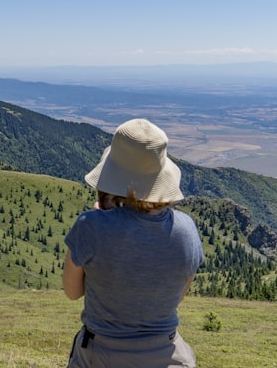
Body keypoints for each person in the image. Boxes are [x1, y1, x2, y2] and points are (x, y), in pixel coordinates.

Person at [63, 118, 204, 368]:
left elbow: (72, 292)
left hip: (100, 354)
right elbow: (175, 296)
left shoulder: (91, 225)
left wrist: (101, 223)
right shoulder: (187, 229)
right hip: (168, 355)